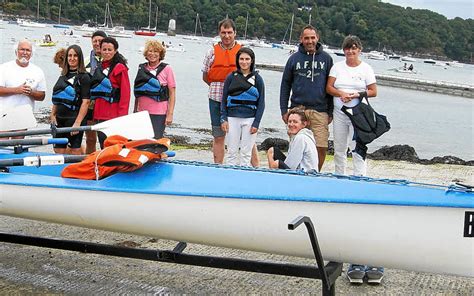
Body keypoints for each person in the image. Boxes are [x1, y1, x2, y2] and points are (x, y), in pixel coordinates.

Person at [326, 35, 383, 284]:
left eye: (354, 48)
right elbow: (329, 87)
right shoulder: (337, 67)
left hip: (359, 110)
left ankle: (360, 178)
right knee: (339, 148)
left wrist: (356, 93)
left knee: (359, 148)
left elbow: (373, 91)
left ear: (359, 49)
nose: (350, 51)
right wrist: (341, 93)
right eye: (347, 48)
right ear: (344, 50)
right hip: (340, 110)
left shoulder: (366, 68)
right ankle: (340, 177)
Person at [202, 18, 259, 166]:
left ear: (235, 33)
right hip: (215, 98)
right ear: (219, 33)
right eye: (223, 32)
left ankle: (256, 167)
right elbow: (205, 75)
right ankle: (218, 166)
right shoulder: (211, 52)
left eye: (229, 32)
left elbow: (251, 75)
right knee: (218, 135)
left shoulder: (243, 52)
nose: (226, 36)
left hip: (238, 101)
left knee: (247, 137)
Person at [280, 25, 333, 172]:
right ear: (301, 39)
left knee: (321, 146)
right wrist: (284, 109)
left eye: (312, 37)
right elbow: (285, 84)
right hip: (297, 108)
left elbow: (331, 86)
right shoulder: (294, 59)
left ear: (317, 38)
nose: (309, 41)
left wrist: (331, 112)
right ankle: (296, 172)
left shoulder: (327, 59)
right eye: (306, 38)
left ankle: (315, 173)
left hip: (320, 110)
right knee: (296, 144)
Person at [220, 47, 265, 166]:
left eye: (247, 59)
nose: (244, 62)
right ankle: (230, 176)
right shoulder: (231, 77)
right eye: (241, 59)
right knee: (231, 151)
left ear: (252, 60)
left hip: (250, 119)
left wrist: (256, 123)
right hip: (232, 118)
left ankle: (244, 177)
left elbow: (261, 103)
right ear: (237, 60)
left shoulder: (258, 79)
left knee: (246, 153)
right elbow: (224, 99)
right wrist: (223, 118)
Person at [0, 39, 46, 139]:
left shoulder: (38, 71)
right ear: (16, 51)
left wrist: (31, 92)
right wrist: (17, 90)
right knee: (2, 146)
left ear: (32, 53)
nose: (25, 53)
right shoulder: (4, 68)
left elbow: (42, 96)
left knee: (18, 146)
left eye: (28, 50)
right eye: (22, 49)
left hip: (23, 115)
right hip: (3, 114)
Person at [90, 37, 130, 149]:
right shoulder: (99, 67)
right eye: (104, 49)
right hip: (99, 114)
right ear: (100, 50)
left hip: (113, 115)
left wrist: (122, 117)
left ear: (115, 51)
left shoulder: (120, 68)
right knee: (102, 145)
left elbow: (125, 95)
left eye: (109, 50)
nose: (107, 52)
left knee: (113, 146)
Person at [50, 45, 91, 155]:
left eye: (75, 56)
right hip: (60, 118)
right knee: (58, 150)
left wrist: (77, 123)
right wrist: (52, 115)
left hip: (74, 118)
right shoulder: (63, 75)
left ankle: (78, 167)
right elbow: (58, 97)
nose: (72, 58)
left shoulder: (84, 77)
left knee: (75, 150)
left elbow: (85, 102)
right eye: (70, 56)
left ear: (80, 58)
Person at [133, 39, 176, 139]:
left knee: (155, 141)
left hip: (159, 112)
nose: (152, 54)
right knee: (141, 141)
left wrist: (170, 114)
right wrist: (135, 110)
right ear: (146, 53)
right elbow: (138, 91)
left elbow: (172, 93)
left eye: (156, 51)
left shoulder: (167, 69)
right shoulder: (141, 68)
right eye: (150, 51)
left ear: (160, 54)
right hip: (142, 112)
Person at [84, 30, 107, 154]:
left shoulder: (112, 60)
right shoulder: (86, 60)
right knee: (90, 139)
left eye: (100, 41)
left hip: (106, 104)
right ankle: (90, 162)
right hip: (90, 105)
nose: (97, 44)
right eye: (95, 41)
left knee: (106, 139)